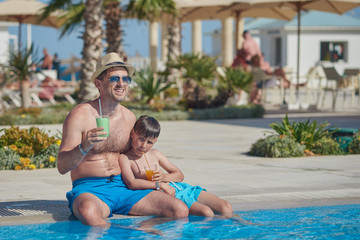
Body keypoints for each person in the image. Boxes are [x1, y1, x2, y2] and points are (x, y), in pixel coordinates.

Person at [58, 52, 189, 227]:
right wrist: (85, 145)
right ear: (99, 83)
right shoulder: (80, 115)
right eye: (114, 79)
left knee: (179, 209)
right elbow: (62, 166)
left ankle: (139, 232)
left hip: (125, 186)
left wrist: (157, 180)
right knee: (88, 212)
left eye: (125, 79)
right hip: (91, 188)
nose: (121, 84)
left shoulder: (129, 117)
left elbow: (137, 155)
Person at [119, 115, 233, 218]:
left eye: (149, 142)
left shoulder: (155, 154)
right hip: (169, 194)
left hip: (181, 187)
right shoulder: (125, 158)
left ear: (155, 141)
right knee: (206, 213)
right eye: (141, 139)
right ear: (133, 133)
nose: (143, 145)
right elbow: (131, 183)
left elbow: (179, 175)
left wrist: (163, 176)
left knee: (226, 207)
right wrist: (159, 185)